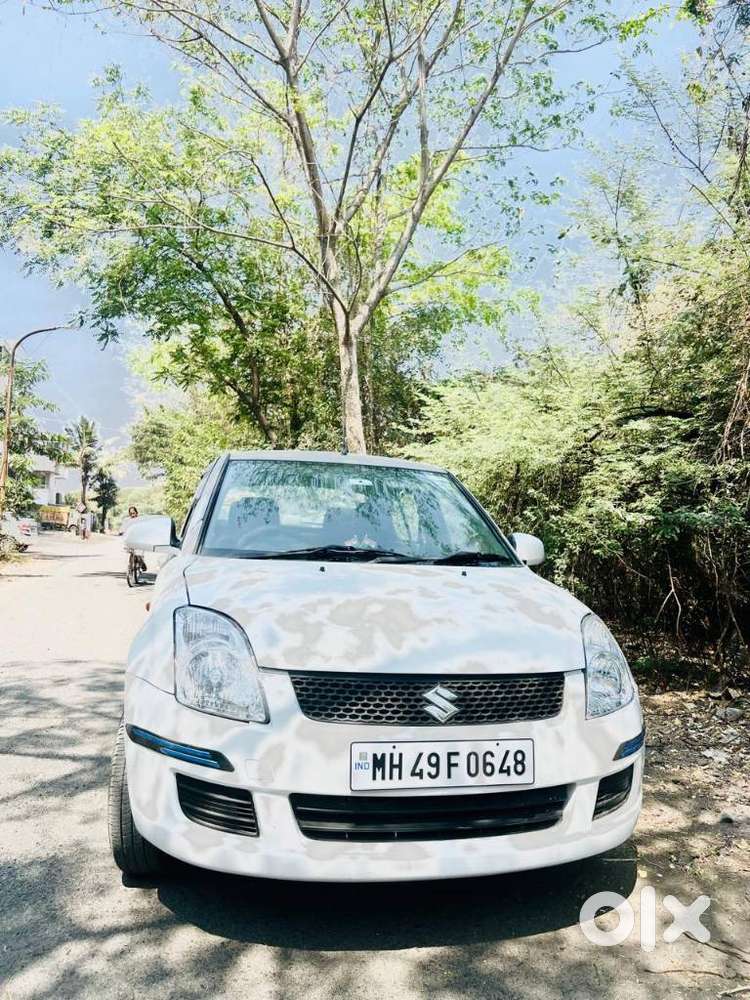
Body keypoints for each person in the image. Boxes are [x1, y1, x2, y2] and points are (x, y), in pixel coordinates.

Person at [122, 506, 147, 573]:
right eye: (131, 513)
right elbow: (124, 528)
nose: (132, 515)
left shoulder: (140, 520)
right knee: (130, 552)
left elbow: (144, 529)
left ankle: (142, 563)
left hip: (138, 540)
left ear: (136, 513)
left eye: (133, 513)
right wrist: (122, 532)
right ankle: (129, 567)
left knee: (139, 555)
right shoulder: (127, 521)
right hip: (130, 539)